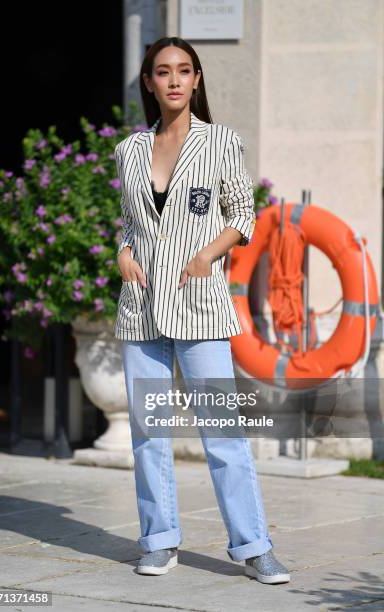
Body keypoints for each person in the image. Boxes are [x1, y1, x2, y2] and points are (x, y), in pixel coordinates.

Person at [114, 36, 290, 585]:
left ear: (196, 79)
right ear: (148, 81)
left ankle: (253, 545)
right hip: (142, 308)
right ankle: (158, 540)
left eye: (183, 71)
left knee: (222, 431)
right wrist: (121, 253)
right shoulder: (129, 151)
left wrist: (205, 256)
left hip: (200, 307)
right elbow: (130, 224)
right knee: (149, 433)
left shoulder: (221, 144)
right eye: (162, 71)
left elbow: (243, 214)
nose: (173, 80)